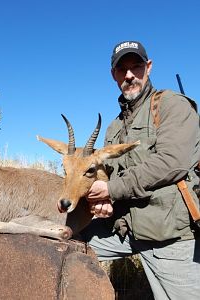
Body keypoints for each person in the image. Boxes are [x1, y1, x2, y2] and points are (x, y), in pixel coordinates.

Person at [81, 41, 200, 299]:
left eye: (136, 66)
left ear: (149, 67)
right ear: (114, 75)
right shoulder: (114, 127)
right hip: (127, 231)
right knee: (70, 240)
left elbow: (172, 162)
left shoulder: (172, 105)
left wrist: (112, 190)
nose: (129, 75)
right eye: (121, 69)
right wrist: (105, 202)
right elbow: (110, 176)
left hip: (172, 236)